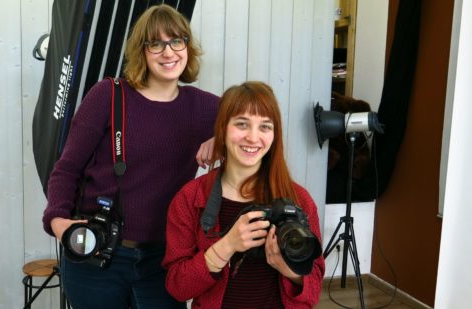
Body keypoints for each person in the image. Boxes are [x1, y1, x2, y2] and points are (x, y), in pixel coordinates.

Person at [42, 4, 219, 309]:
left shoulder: (206, 108)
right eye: (156, 44)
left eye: (177, 41)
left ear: (188, 48)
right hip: (99, 256)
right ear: (141, 50)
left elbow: (258, 132)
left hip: (164, 259)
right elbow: (66, 169)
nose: (169, 52)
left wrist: (223, 141)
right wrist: (59, 223)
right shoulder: (108, 96)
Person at [163, 81, 325, 308]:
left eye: (265, 127)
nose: (253, 137)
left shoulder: (298, 199)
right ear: (222, 128)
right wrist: (227, 245)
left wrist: (290, 270)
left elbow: (314, 288)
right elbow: (177, 287)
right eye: (242, 124)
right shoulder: (190, 198)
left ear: (274, 134)